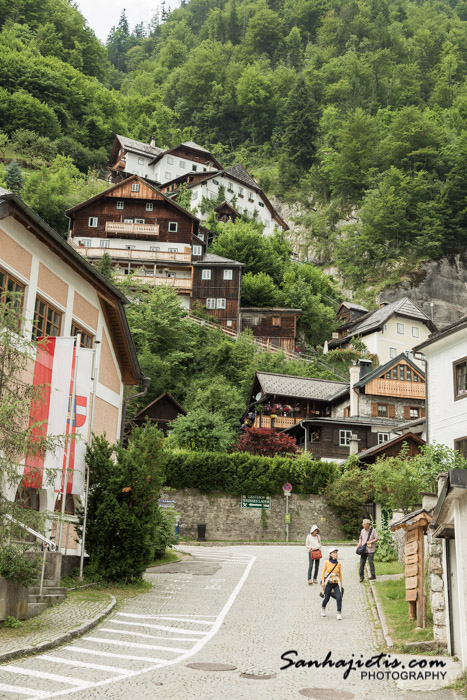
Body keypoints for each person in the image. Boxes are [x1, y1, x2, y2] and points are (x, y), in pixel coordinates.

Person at [320, 546, 343, 620]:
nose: (335, 554)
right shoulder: (327, 562)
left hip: (336, 583)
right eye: (334, 553)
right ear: (330, 554)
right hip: (329, 582)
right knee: (326, 598)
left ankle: (339, 613)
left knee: (339, 597)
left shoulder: (339, 564)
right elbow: (323, 573)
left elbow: (340, 574)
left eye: (336, 553)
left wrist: (341, 584)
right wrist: (323, 582)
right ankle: (323, 608)